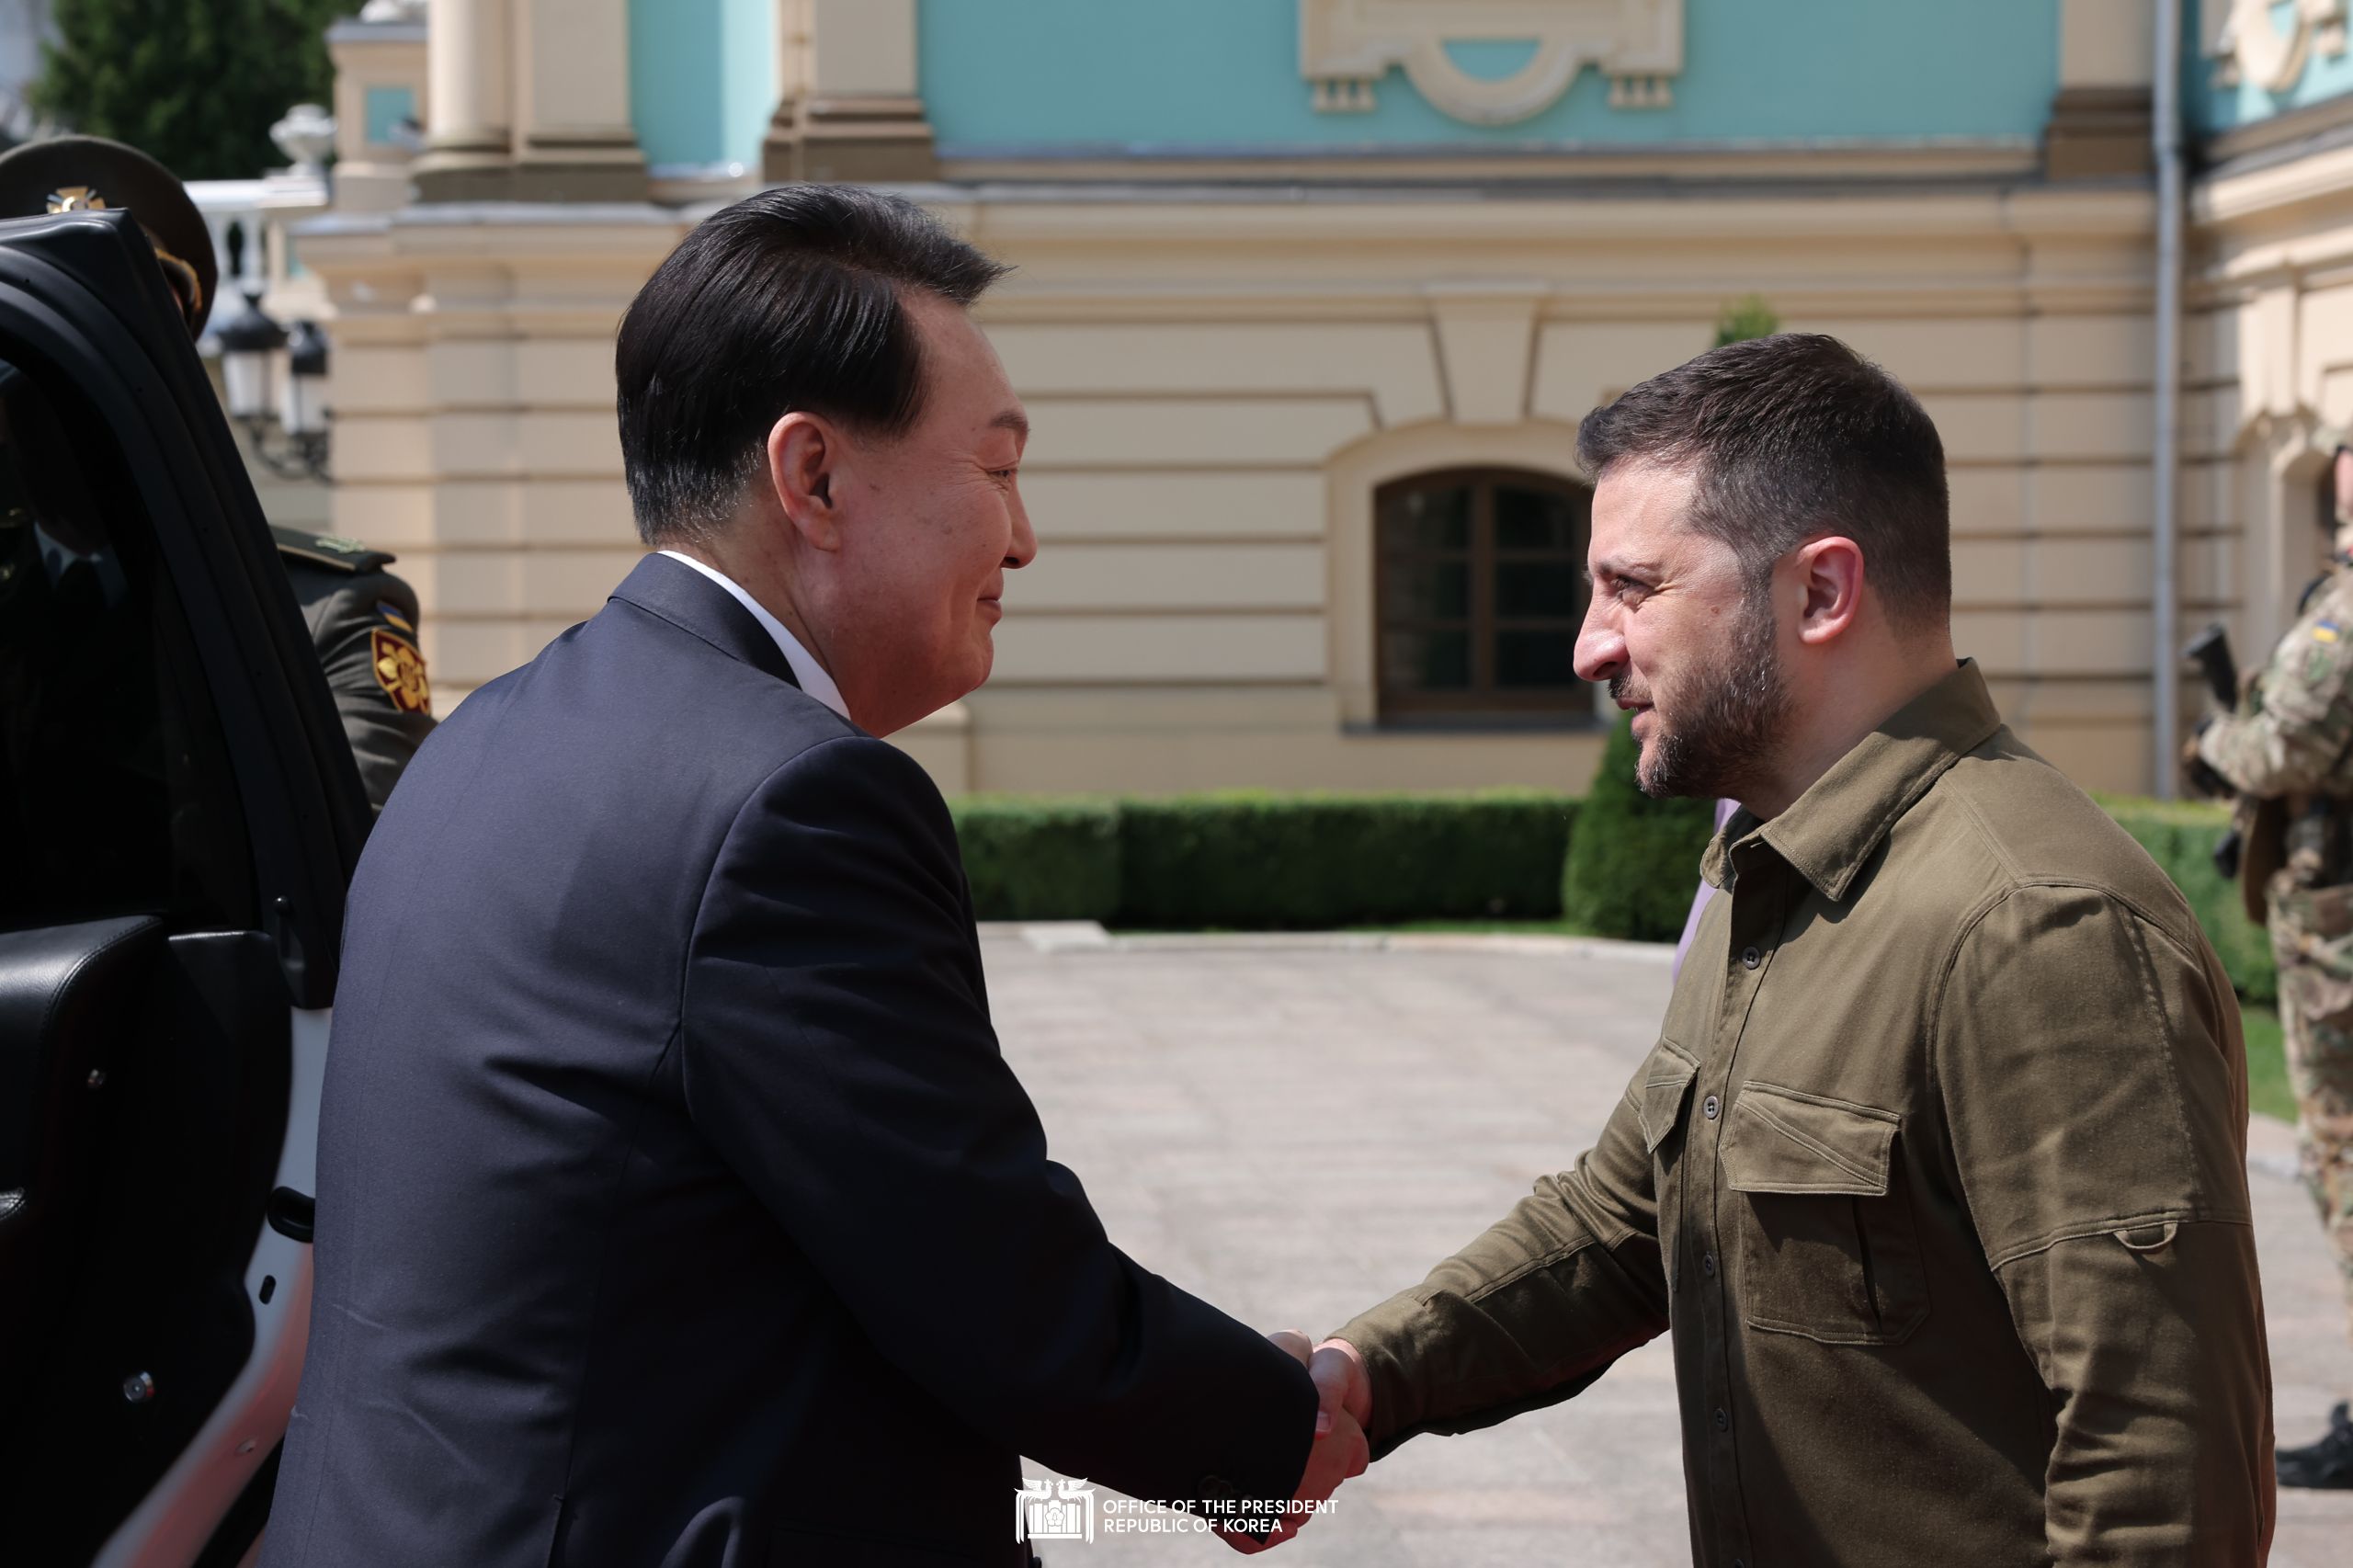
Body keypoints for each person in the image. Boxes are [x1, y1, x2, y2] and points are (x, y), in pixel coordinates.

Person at [259, 186, 1363, 1567]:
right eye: (998, 470)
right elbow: (991, 1282)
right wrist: (1265, 1434)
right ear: (817, 477)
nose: (1024, 538)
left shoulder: (489, 734)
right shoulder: (791, 797)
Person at [1290, 334, 2275, 1564]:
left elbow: (2161, 1471)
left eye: (1634, 587)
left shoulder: (2035, 922)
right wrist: (1363, 1372)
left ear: (1820, 591)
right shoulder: (1777, 862)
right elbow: (1629, 1220)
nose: (1591, 644)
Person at [0, 134, 434, 812]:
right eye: (33, 361)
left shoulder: (321, 615)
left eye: (112, 354)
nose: (60, 404)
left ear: (169, 384)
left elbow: (364, 864)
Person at [2194, 439, 2353, 1492]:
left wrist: (2217, 737)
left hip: (2336, 938)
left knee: (2342, 1159)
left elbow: (2283, 749)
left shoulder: (2341, 623)